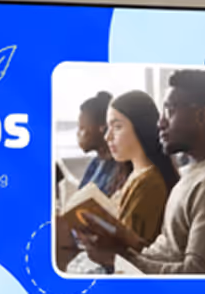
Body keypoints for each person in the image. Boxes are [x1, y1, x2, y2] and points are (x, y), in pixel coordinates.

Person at [77, 68, 205, 277]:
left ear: (201, 116)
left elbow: (199, 274)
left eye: (169, 111)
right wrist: (124, 243)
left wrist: (116, 259)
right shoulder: (190, 174)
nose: (160, 123)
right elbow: (168, 253)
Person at [69, 89, 178, 272]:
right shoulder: (133, 175)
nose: (107, 137)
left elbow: (135, 259)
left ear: (141, 128)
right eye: (108, 127)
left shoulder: (150, 185)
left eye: (117, 127)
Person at [73, 91, 126, 199]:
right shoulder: (95, 163)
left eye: (82, 128)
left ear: (102, 127)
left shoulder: (121, 168)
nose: (78, 134)